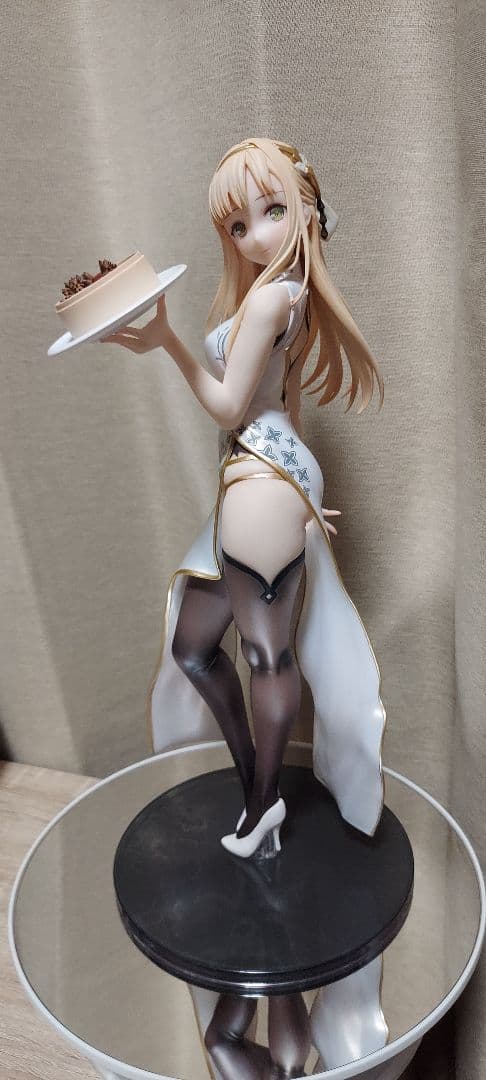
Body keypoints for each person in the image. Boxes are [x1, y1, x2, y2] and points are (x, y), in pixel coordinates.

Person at [102, 137, 386, 858]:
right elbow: (285, 404)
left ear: (306, 208)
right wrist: (305, 488)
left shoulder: (272, 300)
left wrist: (169, 342)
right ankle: (258, 790)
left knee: (265, 655)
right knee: (195, 646)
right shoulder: (287, 295)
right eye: (237, 224)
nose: (255, 234)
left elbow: (231, 407)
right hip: (265, 480)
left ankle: (263, 804)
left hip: (258, 486)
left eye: (272, 211)